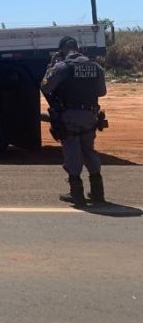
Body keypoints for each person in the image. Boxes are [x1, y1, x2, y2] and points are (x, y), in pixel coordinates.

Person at [41, 36, 108, 205]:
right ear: (78, 48)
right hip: (90, 115)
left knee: (72, 151)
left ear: (63, 50)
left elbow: (46, 87)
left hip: (70, 115)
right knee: (89, 150)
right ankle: (97, 192)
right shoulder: (96, 67)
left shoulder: (62, 67)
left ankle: (76, 193)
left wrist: (51, 66)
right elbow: (102, 92)